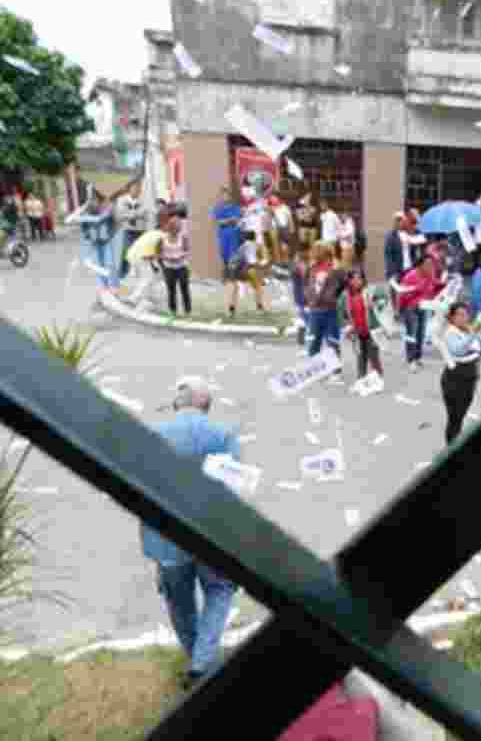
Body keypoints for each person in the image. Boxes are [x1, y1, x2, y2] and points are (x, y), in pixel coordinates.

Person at [145, 377, 240, 690]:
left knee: (179, 603)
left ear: (177, 404)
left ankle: (198, 661)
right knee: (220, 591)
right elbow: (231, 492)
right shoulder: (223, 436)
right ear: (207, 406)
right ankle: (202, 663)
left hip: (166, 540)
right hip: (210, 535)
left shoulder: (154, 436)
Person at [441, 302, 481, 445]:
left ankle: (454, 442)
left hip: (470, 378)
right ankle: (450, 446)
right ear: (452, 317)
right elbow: (459, 350)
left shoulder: (467, 329)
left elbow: (477, 349)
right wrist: (473, 334)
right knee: (454, 418)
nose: (464, 317)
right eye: (460, 314)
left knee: (461, 415)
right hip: (454, 380)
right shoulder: (450, 332)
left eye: (466, 314)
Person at [340, 269, 385, 391]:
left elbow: (383, 300)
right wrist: (346, 326)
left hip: (371, 331)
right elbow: (341, 314)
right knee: (360, 357)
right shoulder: (345, 296)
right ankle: (361, 380)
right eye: (353, 279)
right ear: (349, 281)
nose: (356, 281)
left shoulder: (369, 292)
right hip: (356, 332)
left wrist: (376, 304)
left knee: (373, 356)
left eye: (359, 278)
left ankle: (379, 380)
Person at [398, 255, 444, 372]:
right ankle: (411, 359)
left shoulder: (430, 274)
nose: (430, 267)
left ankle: (418, 357)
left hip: (424, 306)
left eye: (431, 264)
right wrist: (415, 291)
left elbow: (435, 285)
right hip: (410, 307)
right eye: (427, 264)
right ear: (420, 264)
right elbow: (402, 293)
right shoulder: (410, 276)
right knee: (411, 333)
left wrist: (444, 284)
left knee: (421, 333)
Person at [304, 242, 346, 360]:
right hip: (315, 310)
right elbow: (307, 283)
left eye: (316, 250)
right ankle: (313, 368)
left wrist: (333, 296)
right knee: (313, 341)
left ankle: (335, 369)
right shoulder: (312, 268)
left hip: (330, 310)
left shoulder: (335, 268)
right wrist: (309, 296)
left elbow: (343, 282)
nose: (313, 253)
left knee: (332, 340)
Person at [76, 192, 123, 293]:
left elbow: (116, 223)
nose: (94, 202)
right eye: (92, 200)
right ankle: (103, 286)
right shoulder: (88, 210)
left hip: (106, 241)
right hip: (95, 241)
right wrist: (87, 235)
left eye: (95, 200)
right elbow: (83, 224)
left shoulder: (108, 209)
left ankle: (114, 286)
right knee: (99, 264)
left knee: (110, 263)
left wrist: (111, 233)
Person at [226, 229, 270, 316]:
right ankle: (259, 307)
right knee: (258, 287)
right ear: (254, 238)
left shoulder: (243, 246)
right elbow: (258, 261)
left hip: (238, 269)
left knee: (235, 287)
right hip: (249, 269)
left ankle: (232, 308)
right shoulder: (255, 246)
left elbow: (234, 260)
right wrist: (260, 265)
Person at [158, 210, 192, 318]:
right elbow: (158, 253)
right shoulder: (163, 238)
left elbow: (187, 251)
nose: (177, 230)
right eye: (176, 228)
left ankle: (188, 312)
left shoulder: (183, 237)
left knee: (184, 288)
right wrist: (166, 258)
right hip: (168, 267)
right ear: (171, 227)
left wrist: (181, 256)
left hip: (182, 266)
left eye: (179, 228)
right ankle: (173, 312)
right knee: (171, 290)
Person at [116, 184, 143, 276]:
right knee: (126, 248)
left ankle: (134, 267)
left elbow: (146, 212)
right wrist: (132, 215)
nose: (138, 190)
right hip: (127, 229)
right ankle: (125, 270)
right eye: (135, 188)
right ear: (130, 189)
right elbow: (120, 214)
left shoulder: (142, 200)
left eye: (139, 188)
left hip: (140, 228)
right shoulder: (121, 200)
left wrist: (134, 214)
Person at [290, 242, 311, 349]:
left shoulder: (296, 262)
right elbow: (304, 280)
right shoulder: (300, 264)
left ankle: (301, 340)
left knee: (302, 317)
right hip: (303, 296)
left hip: (299, 295)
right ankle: (305, 340)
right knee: (305, 317)